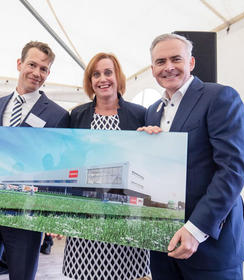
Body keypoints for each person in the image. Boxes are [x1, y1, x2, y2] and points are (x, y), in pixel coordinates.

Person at [138, 33, 244, 280]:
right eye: (161, 62)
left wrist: (196, 229)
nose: (168, 67)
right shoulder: (152, 112)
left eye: (176, 59)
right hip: (164, 244)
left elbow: (232, 169)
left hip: (210, 244)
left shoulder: (220, 97)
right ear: (152, 69)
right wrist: (144, 145)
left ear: (191, 63)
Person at [0, 41, 69, 280]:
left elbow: (59, 168)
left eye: (43, 69)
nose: (36, 73)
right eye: (32, 64)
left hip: (26, 214)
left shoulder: (58, 115)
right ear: (20, 64)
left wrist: (54, 213)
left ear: (48, 74)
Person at [62, 52, 150, 280]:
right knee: (87, 271)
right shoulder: (77, 115)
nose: (103, 79)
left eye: (108, 72)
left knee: (127, 273)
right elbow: (70, 162)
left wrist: (154, 135)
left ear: (118, 76)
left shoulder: (140, 114)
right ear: (90, 81)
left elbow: (147, 158)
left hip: (126, 213)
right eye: (96, 74)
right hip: (87, 212)